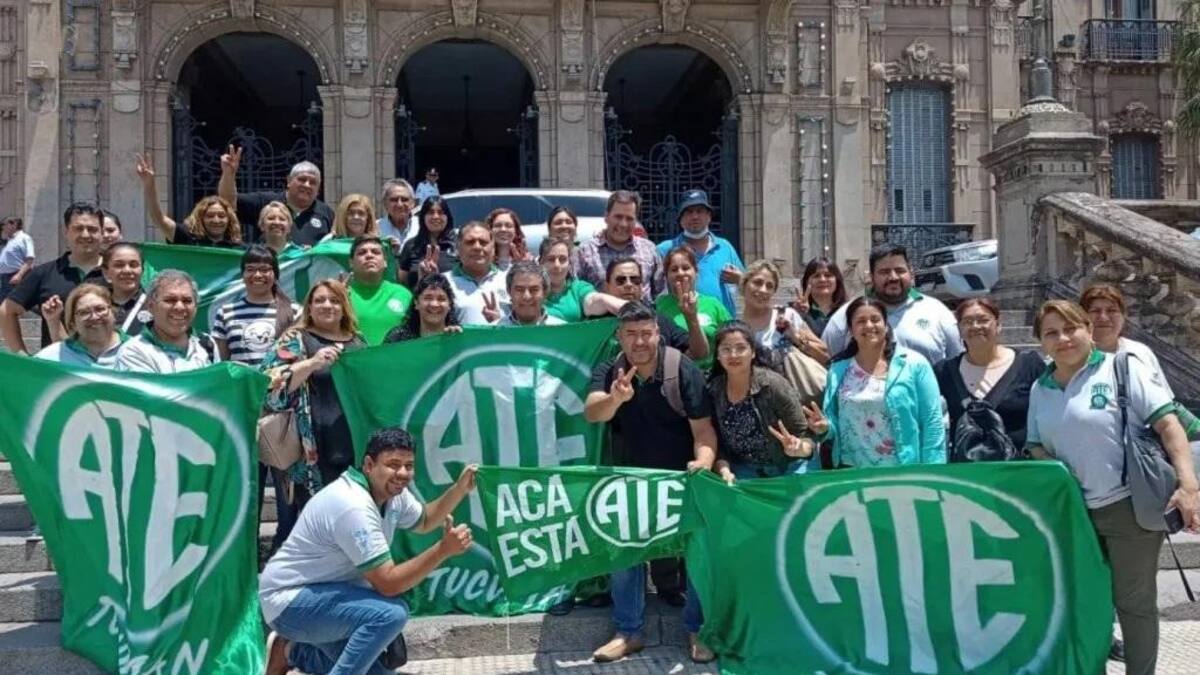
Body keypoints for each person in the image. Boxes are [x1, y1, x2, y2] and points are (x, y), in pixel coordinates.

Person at [1026, 299, 1198, 675]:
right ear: (1041, 342)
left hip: (1127, 507)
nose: (1063, 339)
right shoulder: (1040, 388)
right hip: (1074, 513)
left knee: (1133, 603)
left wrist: (1189, 486)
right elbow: (1034, 443)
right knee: (1088, 601)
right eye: (1051, 333)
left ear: (1088, 330)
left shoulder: (1122, 368)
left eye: (1070, 328)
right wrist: (1056, 469)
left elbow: (1169, 425)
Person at [261, 426, 477, 675]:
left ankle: (290, 651)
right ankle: (294, 644)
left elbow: (426, 520)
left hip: (328, 597)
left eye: (409, 465)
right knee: (390, 614)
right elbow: (388, 584)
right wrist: (442, 550)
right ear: (369, 465)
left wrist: (460, 488)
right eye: (393, 464)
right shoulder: (353, 506)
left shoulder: (392, 494)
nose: (402, 473)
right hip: (290, 602)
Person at [584, 301, 717, 664]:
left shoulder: (682, 369)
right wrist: (615, 398)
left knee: (697, 554)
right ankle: (628, 632)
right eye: (631, 334)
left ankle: (698, 630)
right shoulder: (611, 369)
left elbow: (704, 431)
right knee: (624, 552)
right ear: (619, 336)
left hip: (682, 479)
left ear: (658, 333)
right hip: (631, 480)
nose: (639, 341)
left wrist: (703, 463)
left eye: (646, 333)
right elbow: (593, 411)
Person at [261, 279, 367, 495]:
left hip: (356, 446)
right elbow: (267, 388)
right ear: (309, 307)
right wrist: (311, 363)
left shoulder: (359, 342)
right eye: (320, 300)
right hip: (313, 451)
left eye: (335, 300)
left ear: (345, 307)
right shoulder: (294, 339)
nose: (327, 305)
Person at [812, 297, 946, 467]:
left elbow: (932, 421)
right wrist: (824, 428)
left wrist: (934, 470)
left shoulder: (915, 364)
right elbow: (834, 426)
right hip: (852, 470)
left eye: (875, 319)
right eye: (861, 321)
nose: (869, 325)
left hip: (903, 470)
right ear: (851, 330)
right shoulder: (838, 370)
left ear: (886, 325)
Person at [933, 298, 1044, 458]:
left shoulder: (1029, 364)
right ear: (959, 329)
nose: (975, 326)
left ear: (998, 325)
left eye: (983, 320)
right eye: (967, 322)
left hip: (1020, 466)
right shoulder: (944, 371)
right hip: (964, 469)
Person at [708, 321, 816, 481]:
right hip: (744, 469)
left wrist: (799, 448)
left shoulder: (773, 385)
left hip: (790, 466)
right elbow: (718, 444)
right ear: (717, 355)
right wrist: (724, 470)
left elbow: (807, 436)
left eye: (741, 348)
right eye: (726, 349)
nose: (733, 355)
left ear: (753, 352)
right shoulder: (714, 390)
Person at [821, 244, 962, 366]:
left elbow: (958, 362)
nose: (893, 277)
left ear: (911, 273)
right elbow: (826, 360)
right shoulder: (846, 314)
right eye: (884, 272)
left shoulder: (937, 311)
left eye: (900, 271)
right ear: (871, 277)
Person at [1, 203, 107, 353]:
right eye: (78, 229)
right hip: (56, 365)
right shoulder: (44, 273)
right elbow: (7, 311)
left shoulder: (118, 273)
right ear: (66, 232)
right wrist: (22, 356)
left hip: (111, 365)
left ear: (102, 233)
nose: (85, 234)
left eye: (92, 229)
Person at [219, 147, 334, 245]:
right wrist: (228, 174)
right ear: (289, 181)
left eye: (313, 182)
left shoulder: (326, 213)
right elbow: (228, 202)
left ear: (318, 189)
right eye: (302, 179)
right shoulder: (266, 202)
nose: (307, 185)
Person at [655, 190, 744, 316]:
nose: (695, 216)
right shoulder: (665, 249)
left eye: (699, 211)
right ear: (681, 219)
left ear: (709, 216)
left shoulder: (724, 247)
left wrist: (740, 279)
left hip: (721, 321)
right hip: (680, 320)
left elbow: (747, 285)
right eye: (689, 212)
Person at [115, 270, 218, 373]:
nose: (180, 307)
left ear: (195, 307)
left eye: (187, 301)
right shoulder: (134, 352)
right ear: (150, 306)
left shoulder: (207, 344)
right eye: (170, 300)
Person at [211, 246, 300, 366]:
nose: (257, 275)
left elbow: (301, 356)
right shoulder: (225, 313)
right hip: (241, 379)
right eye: (250, 269)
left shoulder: (295, 311)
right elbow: (220, 362)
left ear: (275, 275)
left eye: (264, 270)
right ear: (242, 275)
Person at [1081, 284, 1172, 395]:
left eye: (1111, 311)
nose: (1103, 318)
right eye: (1095, 311)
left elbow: (1164, 399)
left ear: (1123, 316)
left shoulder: (1140, 352)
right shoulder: (1071, 356)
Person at [137, 154, 243, 248]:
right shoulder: (186, 237)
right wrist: (149, 183)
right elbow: (158, 219)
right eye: (210, 216)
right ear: (201, 218)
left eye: (221, 215)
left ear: (229, 219)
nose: (216, 220)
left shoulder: (237, 247)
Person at [577, 190, 664, 302]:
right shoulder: (586, 251)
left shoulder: (649, 249)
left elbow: (660, 293)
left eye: (629, 218)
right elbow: (576, 293)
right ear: (606, 217)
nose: (623, 224)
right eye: (618, 217)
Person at [739, 259, 830, 366]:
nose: (763, 290)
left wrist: (796, 338)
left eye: (769, 286)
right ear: (744, 284)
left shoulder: (786, 316)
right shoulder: (737, 328)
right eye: (757, 283)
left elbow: (825, 355)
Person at [655, 246, 732, 370]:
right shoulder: (658, 306)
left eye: (686, 268)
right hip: (672, 375)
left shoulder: (713, 304)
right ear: (667, 276)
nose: (680, 273)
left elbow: (730, 337)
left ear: (696, 272)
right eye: (674, 269)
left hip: (711, 374)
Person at [602, 258, 697, 357]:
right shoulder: (595, 321)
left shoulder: (659, 320)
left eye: (635, 280)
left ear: (641, 286)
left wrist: (691, 318)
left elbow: (697, 353)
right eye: (621, 280)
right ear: (606, 286)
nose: (629, 284)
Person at [34, 284, 127, 368]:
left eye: (100, 309)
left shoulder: (133, 349)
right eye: (84, 312)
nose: (94, 317)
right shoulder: (52, 357)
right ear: (73, 323)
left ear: (113, 313)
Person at [346, 237, 413, 346]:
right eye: (362, 253)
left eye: (375, 252)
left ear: (385, 262)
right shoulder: (340, 295)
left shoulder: (403, 294)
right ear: (351, 263)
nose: (369, 255)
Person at [539, 238, 624, 322]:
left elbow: (594, 301)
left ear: (569, 264)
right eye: (551, 259)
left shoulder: (578, 289)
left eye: (562, 259)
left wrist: (627, 308)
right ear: (540, 263)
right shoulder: (533, 292)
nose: (557, 265)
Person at [442, 222, 509, 326]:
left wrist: (500, 321)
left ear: (493, 249)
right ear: (458, 248)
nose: (477, 247)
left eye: (483, 242)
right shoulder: (443, 282)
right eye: (470, 242)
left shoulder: (508, 280)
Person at [396, 196, 457, 288]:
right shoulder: (411, 245)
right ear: (423, 217)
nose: (435, 216)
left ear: (447, 217)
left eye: (440, 212)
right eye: (430, 212)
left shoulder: (458, 245)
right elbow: (402, 282)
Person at [383, 274, 462, 343]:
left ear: (449, 305)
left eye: (441, 299)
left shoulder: (459, 337)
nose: (434, 304)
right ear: (416, 303)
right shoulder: (398, 338)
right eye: (428, 298)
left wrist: (455, 341)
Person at [489, 261, 566, 326]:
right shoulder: (493, 332)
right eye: (519, 290)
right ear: (509, 291)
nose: (527, 296)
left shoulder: (562, 331)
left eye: (534, 290)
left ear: (545, 292)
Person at [101, 242, 150, 337]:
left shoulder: (154, 306)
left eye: (133, 265)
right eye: (119, 265)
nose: (127, 270)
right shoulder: (96, 306)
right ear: (106, 272)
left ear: (142, 270)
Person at [792, 257, 848, 336]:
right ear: (806, 282)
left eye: (828, 275)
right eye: (816, 276)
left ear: (837, 281)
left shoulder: (848, 310)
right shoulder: (796, 311)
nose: (822, 279)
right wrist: (797, 315)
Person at [485, 208, 532, 272]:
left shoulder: (527, 259)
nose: (503, 229)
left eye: (509, 226)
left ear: (516, 230)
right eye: (498, 225)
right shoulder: (483, 260)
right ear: (490, 230)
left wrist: (522, 266)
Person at [377, 179, 419, 249]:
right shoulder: (375, 228)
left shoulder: (423, 226)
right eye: (394, 200)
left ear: (413, 203)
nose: (399, 205)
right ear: (385, 203)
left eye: (404, 199)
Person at [0, 216, 34, 303]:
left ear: (14, 225)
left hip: (15, 277)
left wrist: (19, 275)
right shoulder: (10, 240)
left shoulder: (24, 238)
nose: (3, 227)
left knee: (19, 302)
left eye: (4, 224)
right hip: (5, 277)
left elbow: (29, 259)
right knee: (5, 304)